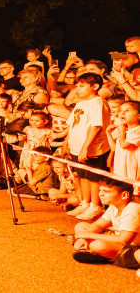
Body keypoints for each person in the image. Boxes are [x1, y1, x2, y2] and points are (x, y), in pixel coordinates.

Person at [61, 73, 112, 222]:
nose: (77, 89)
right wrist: (66, 143)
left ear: (94, 87)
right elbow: (72, 125)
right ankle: (85, 202)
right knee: (82, 176)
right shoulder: (81, 103)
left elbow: (96, 127)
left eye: (82, 86)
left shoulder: (98, 102)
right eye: (77, 86)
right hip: (76, 147)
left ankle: (95, 205)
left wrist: (85, 147)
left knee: (93, 177)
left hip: (93, 148)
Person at [72, 177, 140, 268]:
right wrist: (82, 238)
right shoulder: (116, 204)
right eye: (100, 190)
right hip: (119, 238)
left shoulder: (132, 209)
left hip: (134, 248)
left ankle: (100, 254)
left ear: (124, 195)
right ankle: (93, 250)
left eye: (106, 191)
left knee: (97, 245)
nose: (100, 194)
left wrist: (87, 236)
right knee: (81, 226)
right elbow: (99, 225)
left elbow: (123, 239)